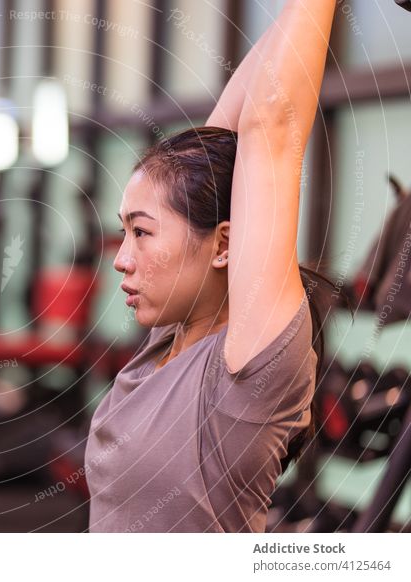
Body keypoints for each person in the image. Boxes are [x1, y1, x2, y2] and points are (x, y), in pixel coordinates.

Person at [85, 0, 342, 532]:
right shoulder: (171, 337)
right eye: (123, 231)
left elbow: (268, 127)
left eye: (141, 232)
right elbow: (216, 152)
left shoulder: (244, 372)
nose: (122, 259)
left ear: (225, 245)